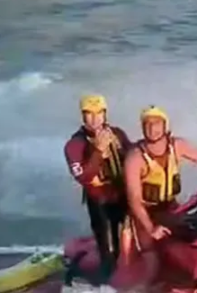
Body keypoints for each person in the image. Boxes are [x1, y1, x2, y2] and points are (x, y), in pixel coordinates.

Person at [124, 105, 197, 286]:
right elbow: (134, 200)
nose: (152, 128)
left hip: (170, 207)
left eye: (157, 123)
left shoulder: (177, 145)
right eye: (148, 124)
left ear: (165, 125)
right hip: (144, 215)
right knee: (152, 263)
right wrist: (151, 229)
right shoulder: (134, 158)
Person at [64, 94, 133, 284]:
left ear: (105, 114)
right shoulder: (75, 145)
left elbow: (133, 156)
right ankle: (107, 281)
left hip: (122, 197)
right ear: (82, 116)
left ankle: (133, 274)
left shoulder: (117, 134)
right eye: (89, 114)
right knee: (109, 248)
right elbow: (83, 177)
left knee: (130, 244)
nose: (94, 119)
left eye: (99, 113)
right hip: (100, 202)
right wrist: (99, 152)